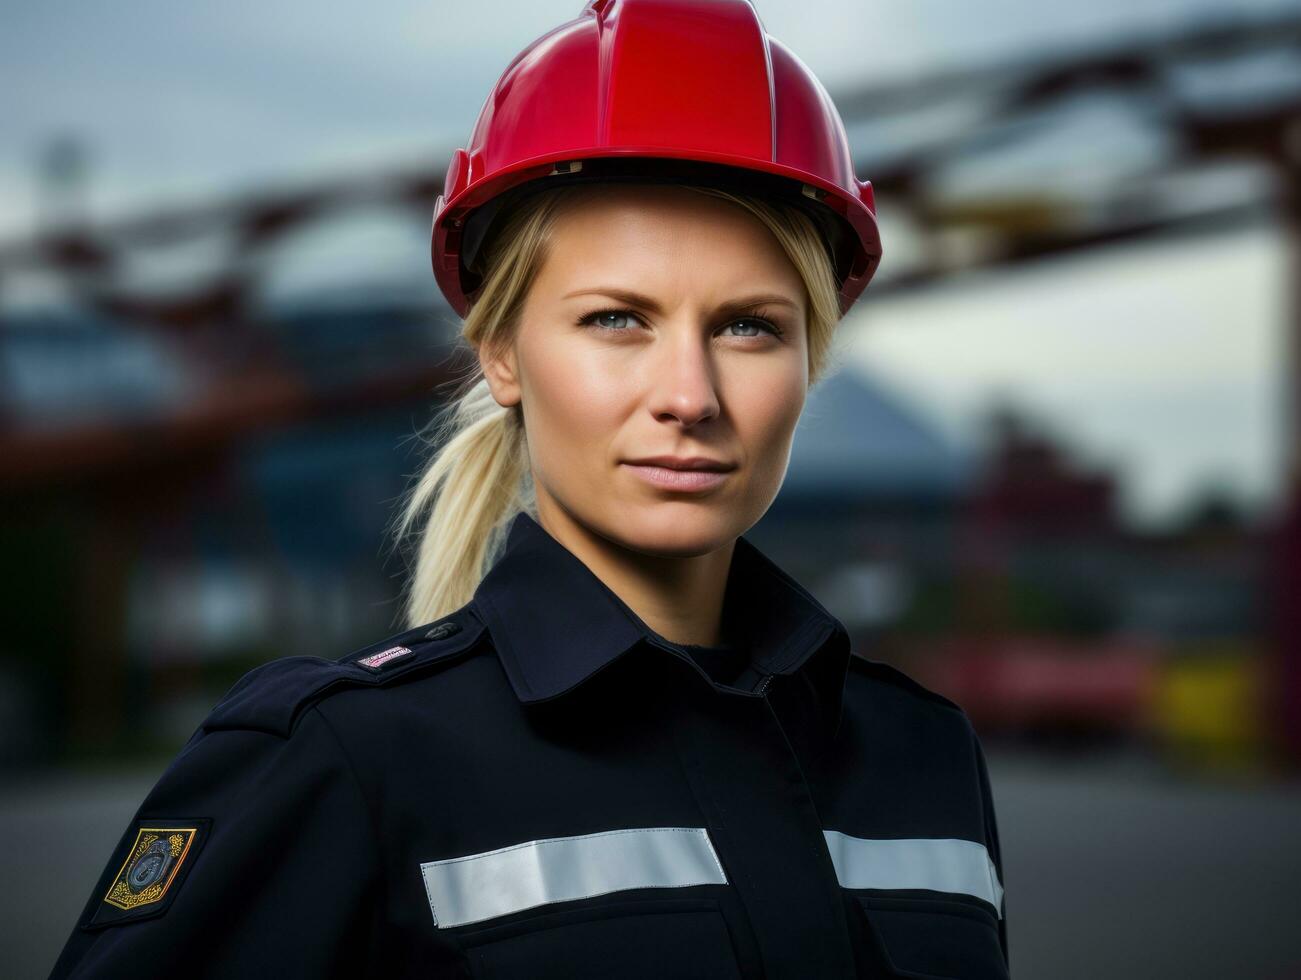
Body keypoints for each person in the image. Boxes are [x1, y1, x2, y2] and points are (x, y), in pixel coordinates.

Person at [50, 1, 1010, 978]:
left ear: (811, 360)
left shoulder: (923, 756)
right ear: (501, 353)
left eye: (748, 327)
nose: (688, 395)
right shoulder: (341, 758)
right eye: (615, 319)